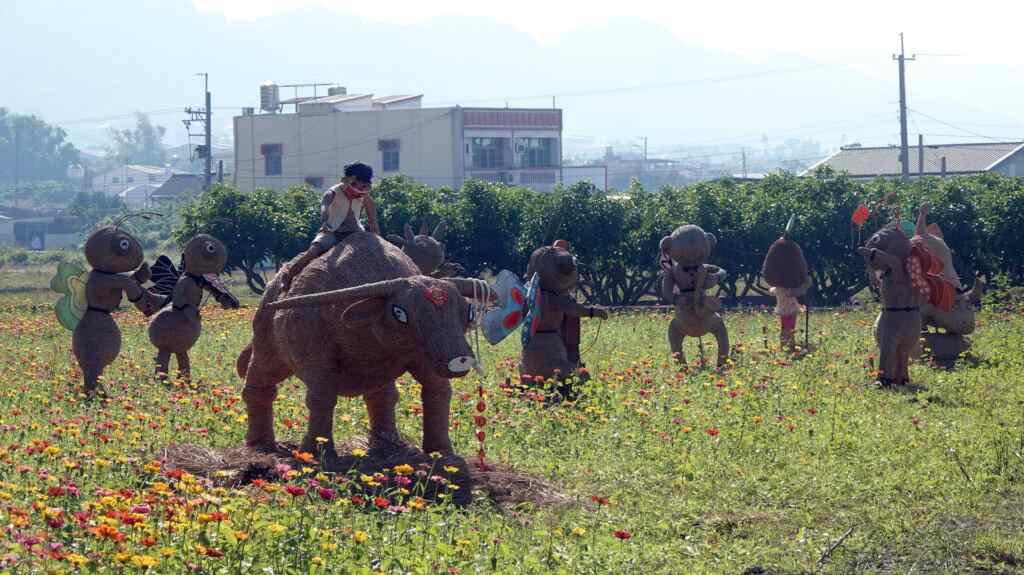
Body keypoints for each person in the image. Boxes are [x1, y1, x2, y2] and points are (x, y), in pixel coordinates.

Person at [279, 162, 380, 291]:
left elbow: (372, 213)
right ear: (350, 180)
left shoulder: (363, 195)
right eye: (359, 182)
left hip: (354, 232)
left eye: (365, 184)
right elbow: (324, 206)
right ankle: (288, 275)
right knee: (313, 251)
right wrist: (325, 218)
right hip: (332, 230)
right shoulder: (333, 192)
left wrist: (375, 231)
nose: (362, 187)